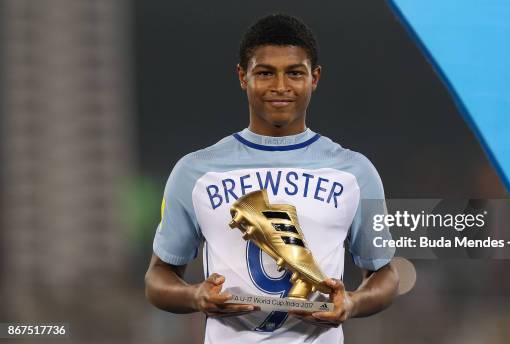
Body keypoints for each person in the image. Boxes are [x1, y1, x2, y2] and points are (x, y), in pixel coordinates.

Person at [144, 13, 398, 343]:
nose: (280, 86)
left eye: (294, 73)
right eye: (265, 73)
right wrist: (195, 296)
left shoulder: (356, 172)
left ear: (314, 78)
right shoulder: (194, 171)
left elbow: (385, 273)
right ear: (242, 76)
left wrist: (353, 302)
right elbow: (157, 277)